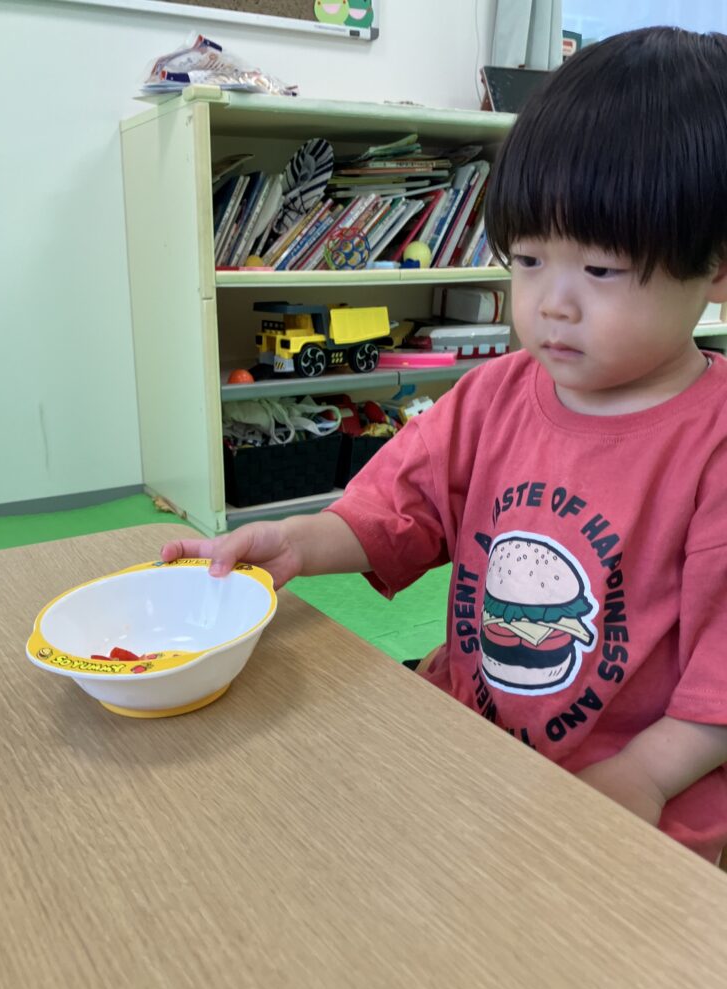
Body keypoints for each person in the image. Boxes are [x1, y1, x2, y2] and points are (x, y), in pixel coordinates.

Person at [163, 27, 727, 862]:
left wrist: (646, 773)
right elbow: (400, 508)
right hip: (472, 742)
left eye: (601, 270)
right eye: (528, 259)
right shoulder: (493, 395)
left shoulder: (712, 446)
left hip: (638, 790)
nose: (553, 303)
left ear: (716, 266)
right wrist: (300, 542)